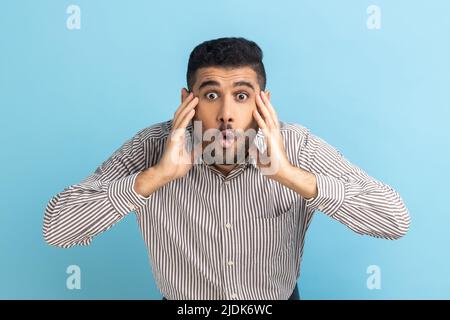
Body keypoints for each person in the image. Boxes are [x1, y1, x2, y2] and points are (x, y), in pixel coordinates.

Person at [43, 37, 410, 300]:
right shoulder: (151, 146)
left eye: (241, 95)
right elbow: (58, 229)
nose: (226, 114)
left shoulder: (296, 145)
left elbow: (394, 219)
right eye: (211, 94)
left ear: (262, 102)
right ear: (188, 101)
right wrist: (155, 177)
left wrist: (288, 174)